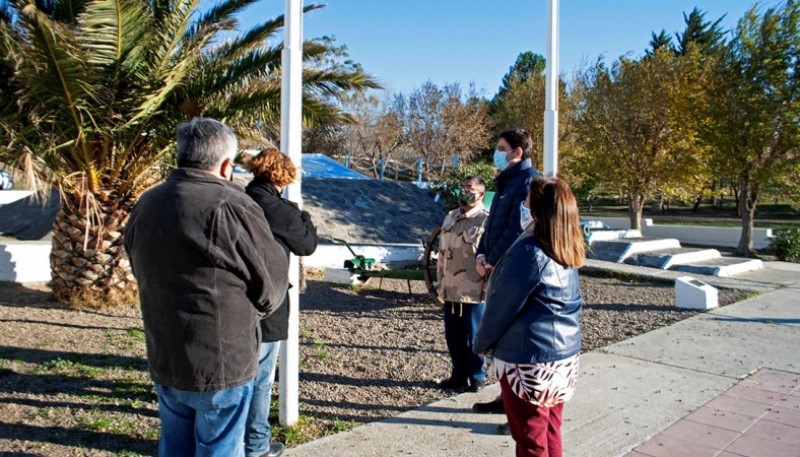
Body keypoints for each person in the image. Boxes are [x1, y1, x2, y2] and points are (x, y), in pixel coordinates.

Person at [124, 118, 289, 457]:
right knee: (220, 449)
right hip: (221, 363)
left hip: (166, 354)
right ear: (227, 165)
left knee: (175, 447)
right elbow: (272, 287)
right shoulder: (233, 206)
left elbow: (136, 262)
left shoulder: (147, 203)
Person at [474, 176, 585, 457]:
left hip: (529, 362)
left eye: (525, 202)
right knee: (549, 431)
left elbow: (500, 308)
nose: (521, 207)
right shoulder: (564, 246)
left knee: (530, 438)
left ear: (538, 211)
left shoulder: (529, 252)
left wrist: (480, 344)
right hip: (561, 358)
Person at [243, 148, 318, 457]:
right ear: (283, 178)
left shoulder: (238, 201)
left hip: (232, 302)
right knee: (259, 379)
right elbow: (307, 245)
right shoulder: (282, 211)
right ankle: (256, 445)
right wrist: (305, 217)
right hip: (268, 306)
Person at [473, 128, 539, 417]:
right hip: (495, 263)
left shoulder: (528, 181)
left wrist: (493, 259)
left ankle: (515, 402)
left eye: (501, 148)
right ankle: (505, 395)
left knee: (510, 330)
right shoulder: (506, 181)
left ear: (517, 152)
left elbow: (516, 227)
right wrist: (481, 253)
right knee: (499, 333)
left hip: (509, 264)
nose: (496, 153)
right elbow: (492, 224)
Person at [435, 176, 489, 392]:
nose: (465, 190)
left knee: (475, 336)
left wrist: (488, 289)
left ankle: (477, 376)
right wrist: (440, 284)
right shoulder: (450, 217)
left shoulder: (486, 220)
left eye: (470, 188)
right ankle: (458, 375)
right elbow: (441, 254)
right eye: (462, 186)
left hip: (474, 290)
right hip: (450, 288)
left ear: (481, 194)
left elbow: (492, 257)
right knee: (454, 336)